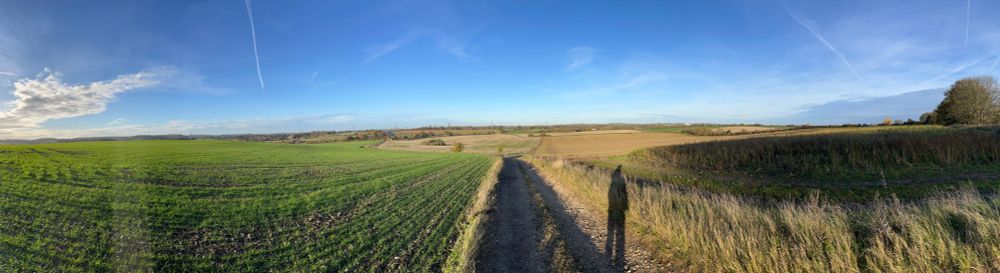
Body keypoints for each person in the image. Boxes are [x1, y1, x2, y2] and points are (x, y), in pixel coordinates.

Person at [606, 165, 628, 269]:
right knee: (619, 226)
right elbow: (622, 198)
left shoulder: (612, 184)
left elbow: (613, 198)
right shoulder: (620, 183)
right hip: (617, 209)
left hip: (614, 208)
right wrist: (624, 207)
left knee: (615, 226)